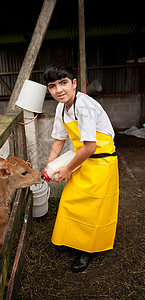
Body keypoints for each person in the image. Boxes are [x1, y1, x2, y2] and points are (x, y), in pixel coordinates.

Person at [43, 63, 119, 273]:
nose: (59, 90)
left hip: (101, 161)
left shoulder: (83, 105)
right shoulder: (61, 107)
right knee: (70, 199)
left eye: (63, 83)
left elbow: (91, 146)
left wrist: (67, 169)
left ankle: (88, 249)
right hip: (83, 159)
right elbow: (59, 140)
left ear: (74, 83)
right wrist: (49, 167)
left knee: (93, 208)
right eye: (52, 86)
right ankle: (70, 238)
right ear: (49, 90)